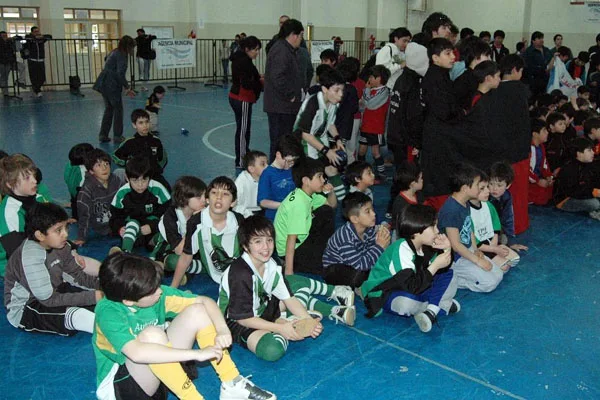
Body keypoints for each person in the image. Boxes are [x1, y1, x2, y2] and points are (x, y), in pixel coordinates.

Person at [93, 252, 276, 400]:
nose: (159, 291)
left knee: (197, 310)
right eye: (151, 291)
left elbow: (205, 301)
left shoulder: (155, 294)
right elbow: (137, 353)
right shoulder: (108, 312)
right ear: (128, 301)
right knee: (153, 336)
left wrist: (222, 329)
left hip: (162, 374)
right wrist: (197, 354)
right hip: (123, 387)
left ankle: (232, 383)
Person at [218, 215, 355, 362]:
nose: (266, 247)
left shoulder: (271, 264)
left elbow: (289, 298)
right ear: (245, 246)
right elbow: (244, 319)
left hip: (264, 309)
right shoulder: (240, 273)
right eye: (258, 242)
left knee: (294, 284)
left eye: (269, 240)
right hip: (237, 321)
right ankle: (283, 322)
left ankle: (288, 319)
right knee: (272, 350)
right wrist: (282, 329)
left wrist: (308, 321)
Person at [4, 202, 100, 336]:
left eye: (66, 227)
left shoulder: (62, 246)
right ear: (40, 235)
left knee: (104, 303)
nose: (65, 234)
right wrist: (94, 296)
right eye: (58, 230)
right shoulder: (31, 257)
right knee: (76, 315)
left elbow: (78, 276)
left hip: (55, 290)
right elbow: (48, 300)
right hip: (27, 307)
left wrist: (104, 288)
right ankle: (119, 335)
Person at [361, 204, 459, 333]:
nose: (437, 231)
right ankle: (440, 305)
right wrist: (435, 266)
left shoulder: (426, 245)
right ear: (417, 231)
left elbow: (442, 269)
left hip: (416, 285)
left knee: (450, 273)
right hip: (387, 292)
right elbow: (411, 286)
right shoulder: (401, 249)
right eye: (433, 227)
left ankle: (432, 310)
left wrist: (446, 249)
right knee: (405, 304)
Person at [438, 164, 504, 293]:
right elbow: (455, 245)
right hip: (454, 257)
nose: (482, 189)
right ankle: (450, 278)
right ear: (465, 188)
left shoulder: (464, 203)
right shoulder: (451, 210)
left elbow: (470, 230)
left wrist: (475, 250)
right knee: (489, 283)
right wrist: (478, 261)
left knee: (498, 273)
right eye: (479, 186)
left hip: (466, 250)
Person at [171, 177, 244, 288]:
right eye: (214, 192)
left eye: (225, 194)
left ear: (233, 202)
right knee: (173, 261)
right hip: (215, 275)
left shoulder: (239, 222)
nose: (219, 197)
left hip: (240, 276)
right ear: (207, 199)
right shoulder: (196, 222)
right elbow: (186, 257)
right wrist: (173, 288)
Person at [421, 38, 464, 208]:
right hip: (437, 135)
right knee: (438, 176)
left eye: (453, 52)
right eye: (447, 53)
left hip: (441, 133)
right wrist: (459, 113)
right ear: (435, 58)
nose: (453, 57)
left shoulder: (442, 75)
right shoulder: (434, 78)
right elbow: (444, 111)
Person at [274, 158, 337, 275]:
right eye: (319, 177)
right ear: (306, 181)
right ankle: (291, 264)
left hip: (302, 239)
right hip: (292, 249)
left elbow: (331, 205)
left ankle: (324, 251)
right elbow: (291, 238)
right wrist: (289, 271)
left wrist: (331, 192)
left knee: (326, 211)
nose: (323, 180)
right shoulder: (299, 203)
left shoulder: (307, 193)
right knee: (328, 269)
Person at [293, 65, 347, 201]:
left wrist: (338, 139)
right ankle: (317, 205)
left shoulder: (334, 103)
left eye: (342, 90)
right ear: (324, 89)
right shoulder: (313, 104)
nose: (341, 94)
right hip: (303, 142)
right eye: (337, 90)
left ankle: (345, 206)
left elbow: (330, 124)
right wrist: (326, 150)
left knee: (332, 170)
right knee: (316, 176)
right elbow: (304, 134)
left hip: (318, 139)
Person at [322, 192, 390, 289]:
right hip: (336, 269)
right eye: (368, 211)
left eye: (372, 209)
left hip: (357, 262)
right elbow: (359, 265)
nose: (374, 214)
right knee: (358, 275)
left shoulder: (369, 229)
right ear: (355, 219)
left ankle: (367, 283)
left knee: (382, 266)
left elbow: (370, 252)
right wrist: (379, 247)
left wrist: (382, 238)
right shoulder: (345, 237)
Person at [150, 176, 207, 283]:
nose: (204, 200)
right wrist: (193, 223)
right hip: (176, 246)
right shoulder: (170, 216)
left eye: (205, 195)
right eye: (199, 197)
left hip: (192, 249)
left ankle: (189, 270)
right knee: (172, 261)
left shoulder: (205, 210)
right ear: (184, 199)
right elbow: (179, 251)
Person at [109, 156, 171, 253]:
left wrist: (153, 226)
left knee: (160, 240)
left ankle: (158, 251)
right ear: (127, 178)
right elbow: (114, 218)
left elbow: (169, 214)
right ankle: (125, 253)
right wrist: (119, 228)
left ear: (150, 178)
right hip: (131, 229)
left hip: (153, 227)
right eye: (135, 180)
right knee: (132, 225)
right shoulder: (122, 193)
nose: (140, 185)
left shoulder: (158, 189)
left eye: (144, 180)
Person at [263, 19, 304, 161]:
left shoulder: (286, 49)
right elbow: (277, 76)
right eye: (301, 35)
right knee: (279, 142)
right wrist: (290, 94)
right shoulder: (281, 50)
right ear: (294, 35)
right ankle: (276, 172)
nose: (301, 39)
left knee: (283, 141)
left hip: (283, 106)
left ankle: (281, 169)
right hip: (281, 106)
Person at [0, 154, 45, 276]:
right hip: (15, 267)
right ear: (10, 183)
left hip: (40, 252)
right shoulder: (9, 213)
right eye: (27, 178)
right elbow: (16, 253)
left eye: (33, 175)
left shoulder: (39, 198)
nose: (35, 181)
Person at [469, 173, 520, 271]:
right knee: (504, 267)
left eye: (487, 187)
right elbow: (474, 241)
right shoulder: (467, 211)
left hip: (491, 240)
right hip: (479, 246)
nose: (489, 191)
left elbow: (496, 223)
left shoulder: (488, 205)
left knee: (515, 259)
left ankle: (496, 254)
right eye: (483, 188)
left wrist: (495, 241)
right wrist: (494, 249)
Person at [75, 149, 124, 246]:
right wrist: (81, 237)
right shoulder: (86, 191)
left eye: (106, 164)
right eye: (99, 165)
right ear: (91, 171)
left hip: (118, 223)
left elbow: (125, 200)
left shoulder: (116, 180)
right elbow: (84, 216)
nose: (104, 168)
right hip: (100, 229)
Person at [229, 36, 263, 172]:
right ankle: (241, 159)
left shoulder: (244, 59)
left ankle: (243, 153)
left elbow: (254, 76)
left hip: (240, 97)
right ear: (247, 49)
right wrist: (259, 83)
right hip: (241, 98)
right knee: (243, 130)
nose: (257, 53)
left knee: (244, 128)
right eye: (255, 50)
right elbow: (247, 82)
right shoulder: (242, 62)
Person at [94, 35, 136, 144]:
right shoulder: (122, 55)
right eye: (132, 47)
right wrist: (127, 87)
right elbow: (120, 74)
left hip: (103, 81)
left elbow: (106, 59)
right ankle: (117, 136)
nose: (133, 50)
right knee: (118, 109)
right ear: (128, 46)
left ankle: (103, 135)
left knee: (109, 109)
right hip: (111, 83)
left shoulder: (115, 51)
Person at [112, 109, 169, 190]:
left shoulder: (156, 141)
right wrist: (127, 163)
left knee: (166, 190)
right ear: (134, 125)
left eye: (147, 122)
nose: (145, 125)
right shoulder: (129, 142)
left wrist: (156, 168)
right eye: (141, 123)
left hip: (154, 176)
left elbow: (163, 158)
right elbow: (115, 156)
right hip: (137, 177)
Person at [257, 134, 303, 221]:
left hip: (294, 216)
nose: (292, 163)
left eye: (294, 160)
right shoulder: (267, 174)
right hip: (275, 218)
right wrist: (284, 205)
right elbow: (263, 202)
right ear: (278, 155)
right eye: (289, 161)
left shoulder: (293, 169)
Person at [358, 65, 391, 182]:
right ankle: (360, 172)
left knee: (375, 152)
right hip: (366, 126)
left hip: (375, 127)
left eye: (372, 77)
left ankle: (382, 175)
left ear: (379, 78)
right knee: (361, 150)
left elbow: (369, 105)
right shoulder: (371, 90)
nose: (369, 80)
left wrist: (366, 91)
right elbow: (361, 105)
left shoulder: (384, 91)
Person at [554, 138, 600, 219]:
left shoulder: (588, 164)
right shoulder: (569, 169)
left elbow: (594, 180)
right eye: (589, 150)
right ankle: (594, 211)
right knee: (594, 203)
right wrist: (593, 192)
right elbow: (574, 191)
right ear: (579, 154)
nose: (593, 153)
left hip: (583, 193)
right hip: (566, 200)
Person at [64, 143, 94, 221]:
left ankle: (75, 214)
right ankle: (78, 216)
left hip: (73, 190)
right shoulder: (84, 173)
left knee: (74, 201)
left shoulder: (69, 165)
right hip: (80, 192)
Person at [233, 150, 268, 217]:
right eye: (263, 164)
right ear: (251, 169)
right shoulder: (241, 181)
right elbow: (235, 205)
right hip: (245, 212)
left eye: (267, 163)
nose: (267, 167)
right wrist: (248, 214)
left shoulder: (267, 177)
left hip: (262, 210)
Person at [529, 119, 554, 206]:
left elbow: (544, 164)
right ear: (535, 134)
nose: (547, 133)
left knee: (551, 186)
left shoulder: (541, 147)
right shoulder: (528, 149)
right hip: (530, 181)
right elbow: (526, 170)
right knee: (541, 195)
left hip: (537, 178)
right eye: (544, 130)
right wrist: (537, 181)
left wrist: (548, 176)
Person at [391, 162, 423, 228]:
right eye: (421, 178)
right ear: (413, 183)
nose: (422, 180)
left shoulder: (419, 195)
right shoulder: (400, 204)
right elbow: (401, 228)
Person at [23, 26, 51, 97]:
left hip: (41, 60)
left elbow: (49, 36)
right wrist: (34, 37)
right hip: (32, 60)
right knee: (34, 77)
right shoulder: (29, 38)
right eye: (35, 31)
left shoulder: (41, 39)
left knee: (42, 77)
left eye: (38, 31)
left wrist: (42, 36)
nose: (37, 33)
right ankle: (37, 91)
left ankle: (35, 88)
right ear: (32, 32)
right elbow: (27, 37)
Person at [523, 31, 552, 98]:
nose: (541, 40)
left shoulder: (546, 50)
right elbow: (528, 66)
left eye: (542, 38)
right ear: (533, 40)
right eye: (539, 38)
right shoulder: (529, 51)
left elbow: (551, 60)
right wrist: (542, 69)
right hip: (534, 81)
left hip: (546, 80)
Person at [0, 31, 26, 96]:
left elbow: (17, 47)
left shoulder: (10, 41)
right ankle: (5, 93)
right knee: (4, 77)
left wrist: (15, 39)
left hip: (11, 61)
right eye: (3, 36)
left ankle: (20, 81)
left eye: (6, 35)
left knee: (22, 66)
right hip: (2, 62)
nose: (5, 37)